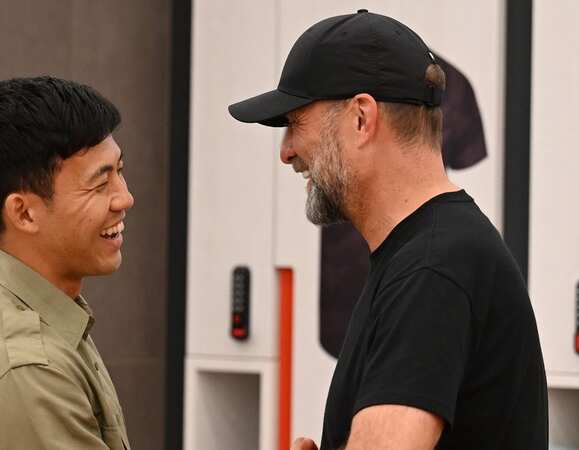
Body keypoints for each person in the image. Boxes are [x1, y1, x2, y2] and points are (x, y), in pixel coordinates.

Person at [229, 9, 547, 450]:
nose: (287, 152)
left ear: (361, 118)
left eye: (295, 122)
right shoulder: (426, 254)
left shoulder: (432, 269)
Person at [0, 76, 135, 450]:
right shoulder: (27, 370)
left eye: (119, 171)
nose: (125, 198)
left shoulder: (42, 314)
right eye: (100, 184)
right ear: (23, 213)